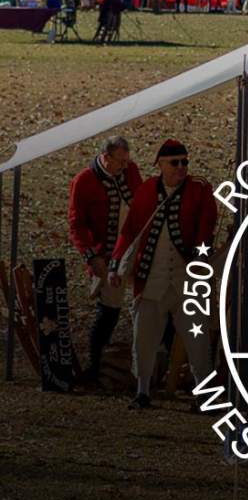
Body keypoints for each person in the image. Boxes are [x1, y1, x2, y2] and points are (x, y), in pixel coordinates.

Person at [109, 139, 217, 409]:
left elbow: (207, 225)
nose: (181, 167)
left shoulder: (200, 189)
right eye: (175, 162)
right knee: (143, 339)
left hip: (187, 280)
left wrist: (201, 261)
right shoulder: (146, 191)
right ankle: (143, 390)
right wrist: (115, 264)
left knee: (198, 338)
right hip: (151, 280)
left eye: (184, 162)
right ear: (160, 164)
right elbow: (130, 232)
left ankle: (204, 394)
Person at [68, 136, 143, 383]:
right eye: (119, 162)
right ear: (106, 157)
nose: (125, 166)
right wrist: (92, 257)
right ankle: (95, 364)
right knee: (108, 310)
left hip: (136, 249)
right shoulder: (84, 181)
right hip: (107, 255)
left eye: (126, 161)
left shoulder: (131, 170)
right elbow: (77, 225)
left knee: (149, 304)